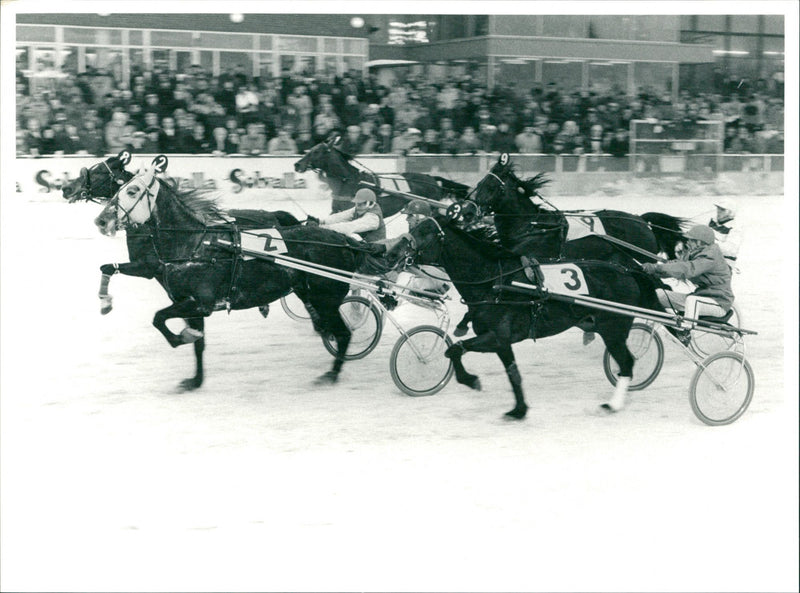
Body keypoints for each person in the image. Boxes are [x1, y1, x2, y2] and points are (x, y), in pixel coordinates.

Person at [641, 225, 734, 345]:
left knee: (692, 300)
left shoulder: (710, 256)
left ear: (700, 242)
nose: (688, 242)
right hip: (702, 297)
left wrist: (657, 268)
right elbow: (678, 265)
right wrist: (656, 271)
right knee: (660, 295)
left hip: (719, 302)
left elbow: (687, 268)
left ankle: (685, 332)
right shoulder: (695, 253)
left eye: (691, 240)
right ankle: (674, 324)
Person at [316, 188, 386, 242]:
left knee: (352, 236)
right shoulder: (358, 208)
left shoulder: (373, 217)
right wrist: (320, 221)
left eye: (361, 204)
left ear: (370, 204)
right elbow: (341, 216)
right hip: (364, 245)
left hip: (374, 249)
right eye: (357, 203)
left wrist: (324, 228)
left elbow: (350, 227)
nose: (358, 206)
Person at [709, 198, 743, 265]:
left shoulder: (736, 228)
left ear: (730, 212)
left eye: (722, 210)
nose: (718, 211)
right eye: (718, 208)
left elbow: (730, 250)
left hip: (725, 262)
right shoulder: (712, 221)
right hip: (709, 258)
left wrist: (709, 241)